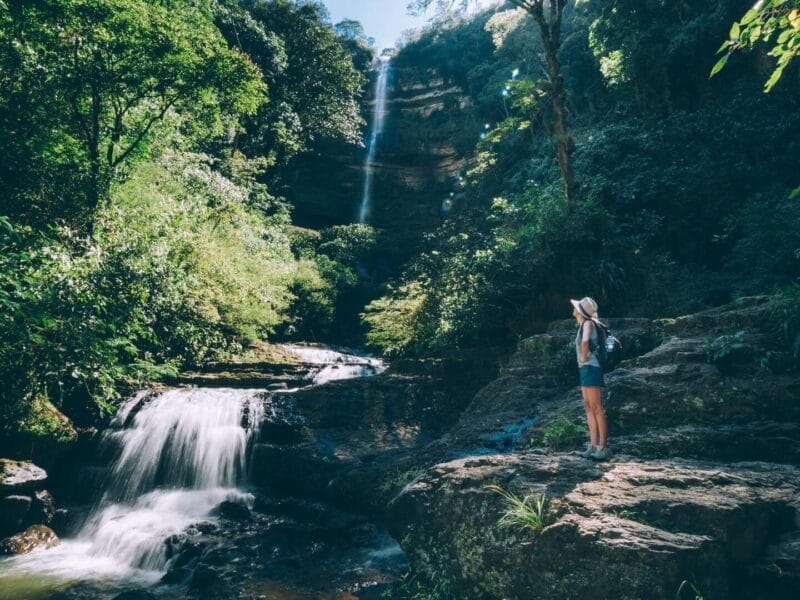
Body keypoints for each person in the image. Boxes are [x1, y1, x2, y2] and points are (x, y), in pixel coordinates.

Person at [570, 297, 610, 460]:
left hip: (591, 367)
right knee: (588, 407)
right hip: (585, 369)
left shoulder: (588, 323)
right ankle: (593, 446)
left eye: (577, 307)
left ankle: (603, 448)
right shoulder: (584, 324)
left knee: (596, 407)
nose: (574, 309)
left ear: (580, 312)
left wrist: (584, 356)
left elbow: (585, 342)